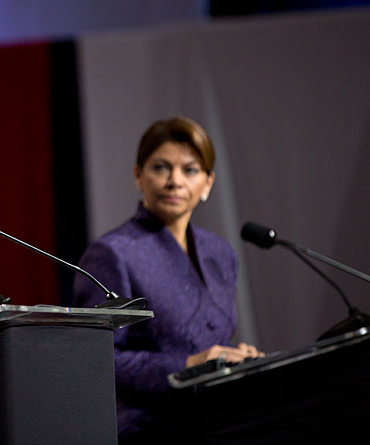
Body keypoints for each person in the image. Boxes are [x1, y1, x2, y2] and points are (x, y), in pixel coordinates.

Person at [73, 116, 261, 443]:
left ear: (208, 183)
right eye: (161, 168)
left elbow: (206, 338)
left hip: (221, 418)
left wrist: (234, 358)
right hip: (148, 429)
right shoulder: (113, 253)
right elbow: (97, 359)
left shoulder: (220, 252)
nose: (175, 181)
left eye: (190, 170)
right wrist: (188, 364)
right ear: (138, 175)